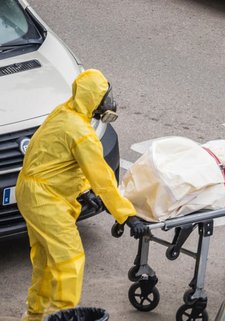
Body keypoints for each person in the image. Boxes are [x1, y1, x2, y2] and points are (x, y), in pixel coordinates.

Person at [16, 69, 148, 321]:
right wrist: (128, 216)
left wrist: (83, 190)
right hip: (46, 199)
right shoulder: (82, 133)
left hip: (33, 191)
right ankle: (64, 315)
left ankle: (34, 316)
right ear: (93, 99)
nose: (109, 102)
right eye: (104, 97)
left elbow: (61, 161)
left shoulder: (65, 113)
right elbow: (103, 178)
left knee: (45, 261)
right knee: (69, 259)